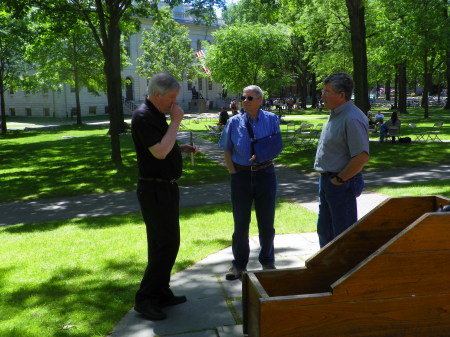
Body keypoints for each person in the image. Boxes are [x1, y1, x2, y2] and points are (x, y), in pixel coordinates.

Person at [131, 72, 198, 320]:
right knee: (165, 244)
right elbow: (159, 152)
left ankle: (161, 291)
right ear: (157, 95)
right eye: (171, 98)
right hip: (154, 189)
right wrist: (176, 123)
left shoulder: (157, 114)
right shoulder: (143, 116)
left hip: (165, 188)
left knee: (165, 244)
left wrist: (180, 149)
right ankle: (145, 298)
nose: (175, 104)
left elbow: (163, 147)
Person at [218, 85, 282, 280]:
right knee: (240, 223)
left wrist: (263, 155)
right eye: (243, 97)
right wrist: (233, 172)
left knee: (266, 221)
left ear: (260, 100)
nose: (245, 101)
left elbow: (277, 146)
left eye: (249, 98)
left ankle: (268, 262)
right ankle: (238, 265)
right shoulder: (234, 122)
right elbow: (226, 149)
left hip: (266, 175)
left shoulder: (272, 120)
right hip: (241, 176)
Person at [314, 73, 369, 248]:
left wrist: (339, 180)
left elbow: (361, 157)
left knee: (342, 236)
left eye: (327, 92)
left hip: (341, 183)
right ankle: (327, 270)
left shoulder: (352, 118)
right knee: (325, 231)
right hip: (328, 181)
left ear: (341, 95)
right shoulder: (336, 114)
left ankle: (344, 273)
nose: (323, 96)